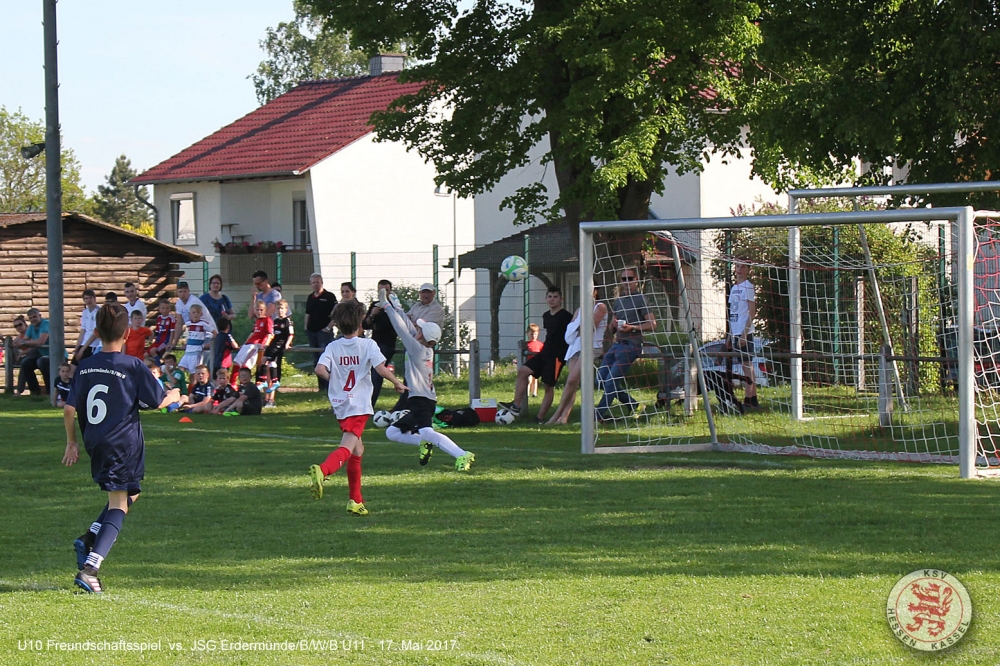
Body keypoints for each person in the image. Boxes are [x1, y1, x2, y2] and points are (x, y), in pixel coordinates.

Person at [61, 303, 181, 594]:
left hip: (96, 442)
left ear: (96, 332)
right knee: (119, 503)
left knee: (132, 492)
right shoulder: (132, 365)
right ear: (127, 333)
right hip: (122, 444)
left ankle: (91, 536)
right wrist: (176, 395)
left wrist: (72, 442)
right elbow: (158, 401)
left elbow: (68, 408)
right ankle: (90, 569)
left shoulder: (86, 366)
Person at [308, 299, 408, 514]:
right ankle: (323, 470)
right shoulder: (368, 345)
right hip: (359, 405)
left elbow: (319, 369)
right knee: (347, 446)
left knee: (358, 450)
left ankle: (356, 500)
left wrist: (335, 380)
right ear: (361, 321)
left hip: (341, 404)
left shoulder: (333, 346)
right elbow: (381, 369)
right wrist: (397, 383)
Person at [381, 289, 476, 472]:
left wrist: (387, 306)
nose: (416, 330)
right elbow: (408, 327)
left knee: (427, 431)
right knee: (392, 432)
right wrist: (398, 306)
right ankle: (423, 443)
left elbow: (401, 329)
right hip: (421, 399)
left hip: (422, 401)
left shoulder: (418, 349)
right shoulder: (422, 345)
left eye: (420, 330)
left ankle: (462, 454)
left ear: (426, 338)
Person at [499, 287, 573, 423]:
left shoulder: (566, 316)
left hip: (557, 356)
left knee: (548, 386)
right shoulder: (546, 316)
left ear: (561, 299)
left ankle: (539, 418)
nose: (552, 299)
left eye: (555, 297)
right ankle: (516, 405)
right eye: (549, 296)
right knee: (523, 371)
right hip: (544, 352)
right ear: (546, 298)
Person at [596, 267, 657, 420]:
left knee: (611, 381)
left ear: (636, 280)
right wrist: (613, 325)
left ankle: (597, 415)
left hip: (631, 345)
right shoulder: (618, 301)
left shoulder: (640, 299)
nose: (627, 282)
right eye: (624, 279)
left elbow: (652, 324)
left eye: (630, 278)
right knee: (600, 380)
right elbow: (611, 328)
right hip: (617, 344)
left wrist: (633, 327)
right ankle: (633, 404)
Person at [546, 288, 609, 425]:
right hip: (576, 346)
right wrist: (577, 328)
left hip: (592, 346)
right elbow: (571, 329)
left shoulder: (600, 307)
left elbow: (589, 328)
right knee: (572, 383)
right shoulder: (579, 309)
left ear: (596, 291)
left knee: (571, 380)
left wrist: (577, 328)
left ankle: (556, 415)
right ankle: (564, 417)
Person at [363, 279, 400, 408]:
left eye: (386, 290)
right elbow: (365, 325)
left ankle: (369, 404)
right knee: (367, 373)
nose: (383, 293)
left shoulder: (394, 306)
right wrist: (372, 315)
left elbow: (388, 325)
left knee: (377, 373)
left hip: (386, 344)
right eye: (381, 291)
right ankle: (364, 403)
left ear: (390, 291)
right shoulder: (375, 305)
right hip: (374, 344)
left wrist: (376, 324)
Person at [730, 262, 758, 410]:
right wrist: (730, 335)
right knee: (745, 365)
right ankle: (753, 399)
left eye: (743, 267)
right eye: (737, 266)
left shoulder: (748, 287)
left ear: (748, 270)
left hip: (744, 332)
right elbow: (733, 312)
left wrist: (744, 333)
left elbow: (752, 311)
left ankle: (748, 399)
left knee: (747, 366)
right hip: (735, 331)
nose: (739, 269)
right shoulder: (734, 288)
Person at [305, 273, 338, 391]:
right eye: (313, 282)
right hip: (312, 332)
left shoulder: (329, 297)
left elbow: (336, 314)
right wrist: (306, 327)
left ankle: (329, 385)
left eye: (317, 282)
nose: (315, 284)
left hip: (324, 333)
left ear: (322, 282)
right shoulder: (310, 297)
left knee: (325, 358)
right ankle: (321, 387)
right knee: (316, 359)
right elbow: (307, 313)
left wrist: (328, 328)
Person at [230, 300, 273, 388]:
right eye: (257, 310)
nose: (259, 312)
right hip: (249, 344)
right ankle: (233, 383)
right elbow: (253, 333)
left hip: (256, 346)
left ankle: (245, 385)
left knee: (246, 364)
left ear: (265, 310)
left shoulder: (267, 320)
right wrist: (245, 343)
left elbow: (270, 334)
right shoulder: (257, 321)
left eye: (261, 310)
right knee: (237, 362)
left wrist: (265, 345)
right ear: (254, 311)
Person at [260, 300, 294, 408]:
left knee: (271, 363)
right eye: (278, 308)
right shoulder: (275, 321)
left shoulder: (287, 321)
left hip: (279, 345)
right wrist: (267, 343)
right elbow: (273, 335)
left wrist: (287, 344)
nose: (280, 311)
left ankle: (274, 387)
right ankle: (263, 381)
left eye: (282, 308)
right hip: (273, 344)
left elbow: (291, 334)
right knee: (263, 361)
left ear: (286, 310)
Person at [201, 274, 235, 372]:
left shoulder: (224, 298)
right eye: (214, 283)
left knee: (223, 358)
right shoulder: (204, 298)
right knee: (209, 357)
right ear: (210, 285)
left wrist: (228, 317)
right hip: (209, 332)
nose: (216, 285)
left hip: (223, 332)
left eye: (218, 283)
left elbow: (233, 314)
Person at [169, 281, 217, 352]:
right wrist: (174, 343)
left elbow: (195, 322)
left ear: (188, 291)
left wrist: (190, 343)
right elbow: (179, 323)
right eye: (180, 291)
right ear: (177, 293)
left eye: (185, 291)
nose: (183, 294)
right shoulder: (179, 303)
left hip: (206, 335)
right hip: (196, 335)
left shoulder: (193, 302)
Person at [16, 309, 52, 396]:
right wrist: (24, 342)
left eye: (34, 317)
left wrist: (25, 343)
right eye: (30, 318)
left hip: (53, 355)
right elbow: (22, 341)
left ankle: (49, 391)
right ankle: (35, 392)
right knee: (25, 363)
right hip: (41, 354)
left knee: (42, 362)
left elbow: (41, 341)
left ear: (40, 315)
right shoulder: (31, 327)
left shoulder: (45, 323)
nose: (33, 319)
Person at [178, 304, 214, 374]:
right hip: (187, 352)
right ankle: (181, 381)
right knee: (180, 368)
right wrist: (185, 343)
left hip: (196, 352)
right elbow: (187, 335)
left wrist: (209, 343)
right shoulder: (188, 324)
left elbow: (214, 333)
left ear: (201, 314)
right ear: (190, 314)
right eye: (193, 312)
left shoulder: (203, 324)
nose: (195, 314)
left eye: (198, 312)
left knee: (194, 373)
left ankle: (194, 381)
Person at [72, 289, 102, 365]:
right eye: (86, 298)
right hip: (83, 344)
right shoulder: (85, 312)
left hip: (93, 344)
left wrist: (83, 349)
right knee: (73, 366)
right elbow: (83, 330)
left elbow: (96, 332)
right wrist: (77, 348)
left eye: (90, 298)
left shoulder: (99, 312)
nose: (88, 300)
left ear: (94, 298)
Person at [147, 298, 177, 363]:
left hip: (165, 341)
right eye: (163, 308)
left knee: (153, 351)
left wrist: (170, 343)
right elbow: (158, 331)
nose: (165, 310)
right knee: (146, 354)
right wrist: (153, 338)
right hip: (158, 341)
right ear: (159, 309)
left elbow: (172, 331)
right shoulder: (159, 318)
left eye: (167, 308)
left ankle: (159, 366)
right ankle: (154, 365)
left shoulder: (171, 318)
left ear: (170, 309)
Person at [525, 324, 543, 397]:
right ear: (527, 334)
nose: (533, 336)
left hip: (537, 364)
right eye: (531, 334)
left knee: (535, 379)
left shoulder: (540, 344)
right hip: (528, 364)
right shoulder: (526, 344)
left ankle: (534, 393)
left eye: (535, 334)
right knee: (528, 379)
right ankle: (527, 393)